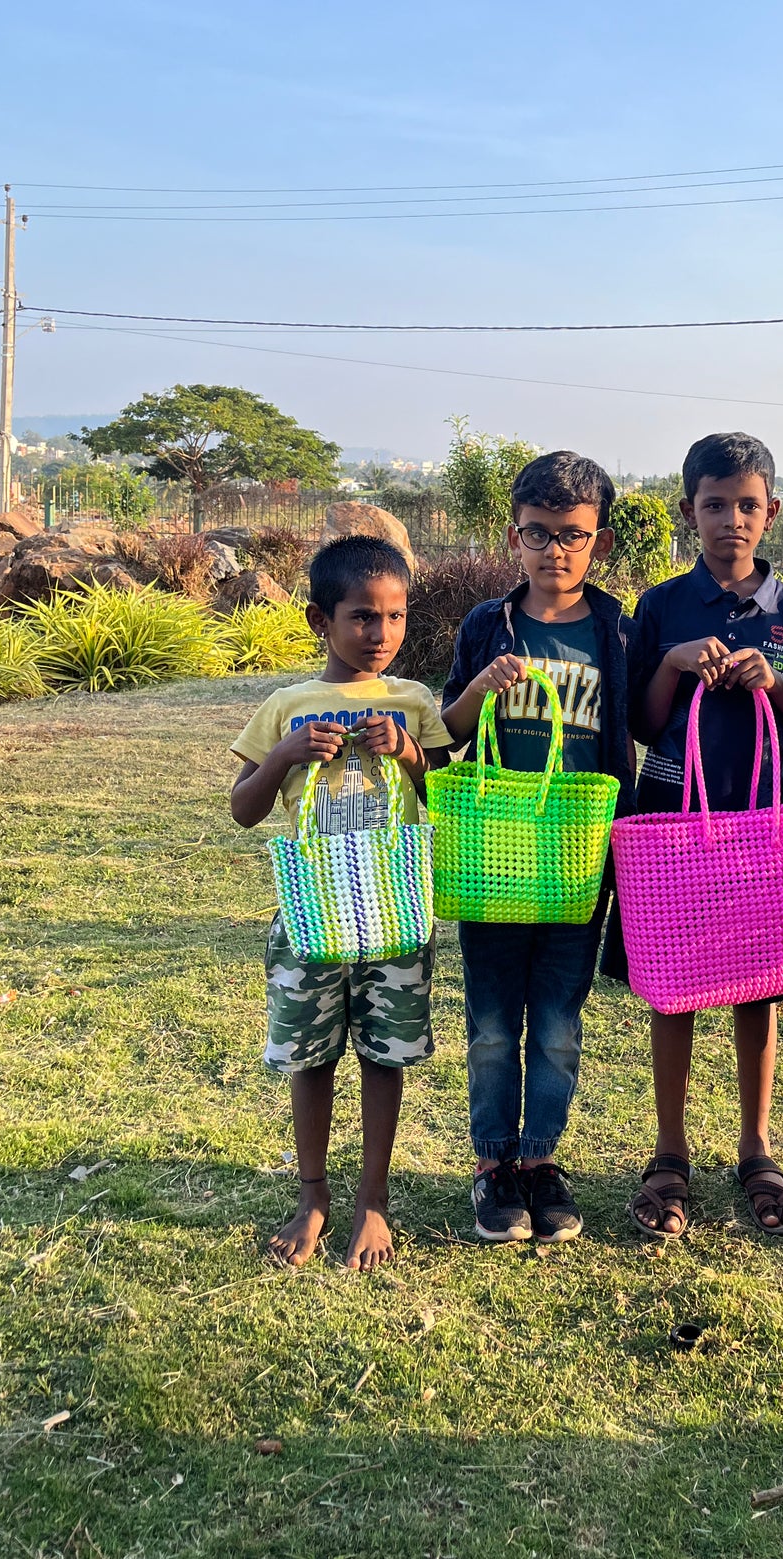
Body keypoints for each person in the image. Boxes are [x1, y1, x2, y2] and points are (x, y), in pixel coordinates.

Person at [618, 431, 783, 1238]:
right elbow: (643, 724)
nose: (732, 520)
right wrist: (674, 662)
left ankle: (755, 1146)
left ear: (771, 511)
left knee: (759, 987)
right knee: (675, 984)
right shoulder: (660, 607)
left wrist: (771, 678)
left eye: (748, 505)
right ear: (688, 511)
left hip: (762, 829)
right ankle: (670, 1149)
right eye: (715, 505)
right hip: (673, 824)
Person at [229, 535, 451, 1271]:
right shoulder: (285, 706)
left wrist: (411, 752)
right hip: (310, 913)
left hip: (394, 911)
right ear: (319, 620)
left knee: (382, 1058)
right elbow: (243, 809)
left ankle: (374, 1200)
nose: (380, 634)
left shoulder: (413, 702)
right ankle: (314, 1195)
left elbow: (443, 797)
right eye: (362, 617)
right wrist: (286, 755)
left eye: (394, 616)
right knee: (311, 1057)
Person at [440, 451, 636, 1243]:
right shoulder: (488, 625)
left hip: (576, 858)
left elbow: (637, 731)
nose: (555, 550)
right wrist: (480, 689)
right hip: (490, 851)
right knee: (490, 1021)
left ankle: (539, 1159)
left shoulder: (618, 628)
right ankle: (493, 1164)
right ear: (511, 534)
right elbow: (448, 731)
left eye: (572, 535)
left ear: (600, 539)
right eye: (537, 533)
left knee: (557, 1021)